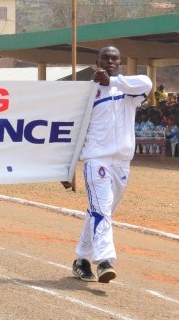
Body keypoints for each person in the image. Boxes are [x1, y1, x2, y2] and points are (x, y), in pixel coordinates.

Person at [72, 46, 152, 284]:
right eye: (105, 58)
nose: (110, 61)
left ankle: (81, 259)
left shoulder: (128, 89)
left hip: (122, 163)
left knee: (99, 211)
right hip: (97, 159)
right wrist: (68, 169)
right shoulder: (88, 93)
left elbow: (147, 82)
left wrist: (114, 82)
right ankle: (105, 261)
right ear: (97, 61)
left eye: (115, 58)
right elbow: (76, 131)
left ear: (120, 63)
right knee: (101, 209)